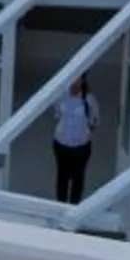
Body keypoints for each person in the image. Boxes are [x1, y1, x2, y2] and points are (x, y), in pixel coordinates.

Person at [49, 74, 98, 205]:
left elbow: (94, 121)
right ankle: (60, 207)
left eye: (79, 79)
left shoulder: (89, 99)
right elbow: (57, 114)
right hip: (61, 144)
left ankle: (73, 208)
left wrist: (81, 132)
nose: (75, 83)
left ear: (83, 80)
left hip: (81, 147)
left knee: (78, 178)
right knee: (62, 177)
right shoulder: (60, 96)